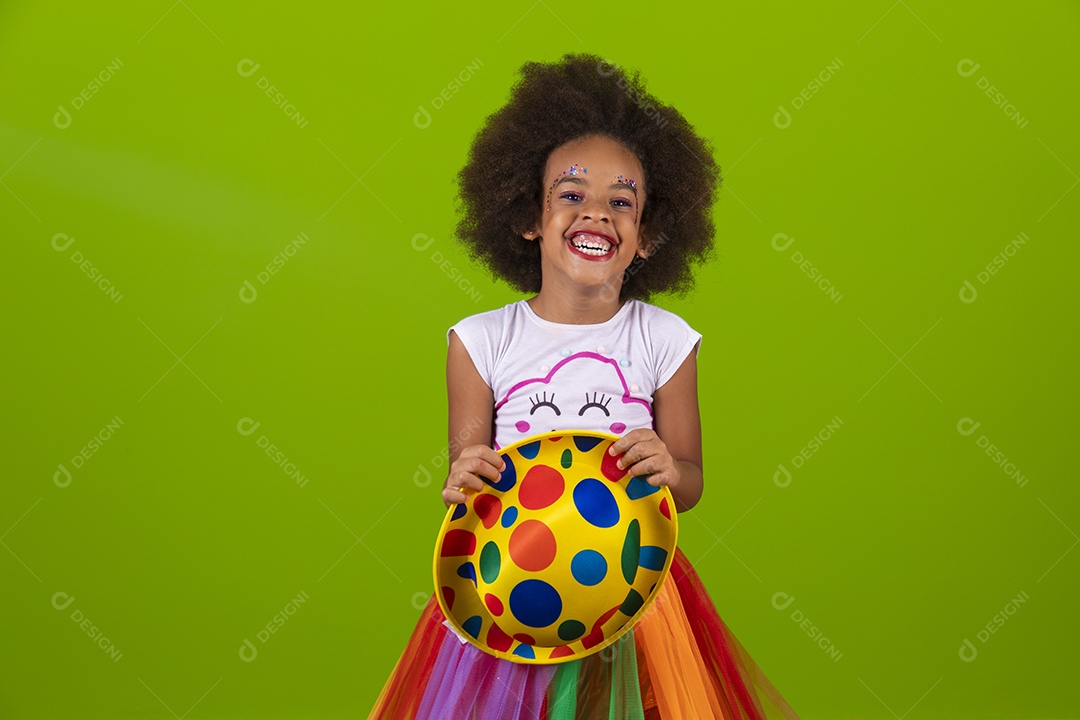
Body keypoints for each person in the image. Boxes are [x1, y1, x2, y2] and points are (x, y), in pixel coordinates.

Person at [368, 53, 800, 720]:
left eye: (621, 202)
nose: (595, 214)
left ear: (648, 234)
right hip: (513, 580)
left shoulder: (665, 339)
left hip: (632, 588)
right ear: (527, 215)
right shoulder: (479, 342)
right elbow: (463, 475)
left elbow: (689, 481)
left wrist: (668, 468)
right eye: (570, 195)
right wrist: (465, 476)